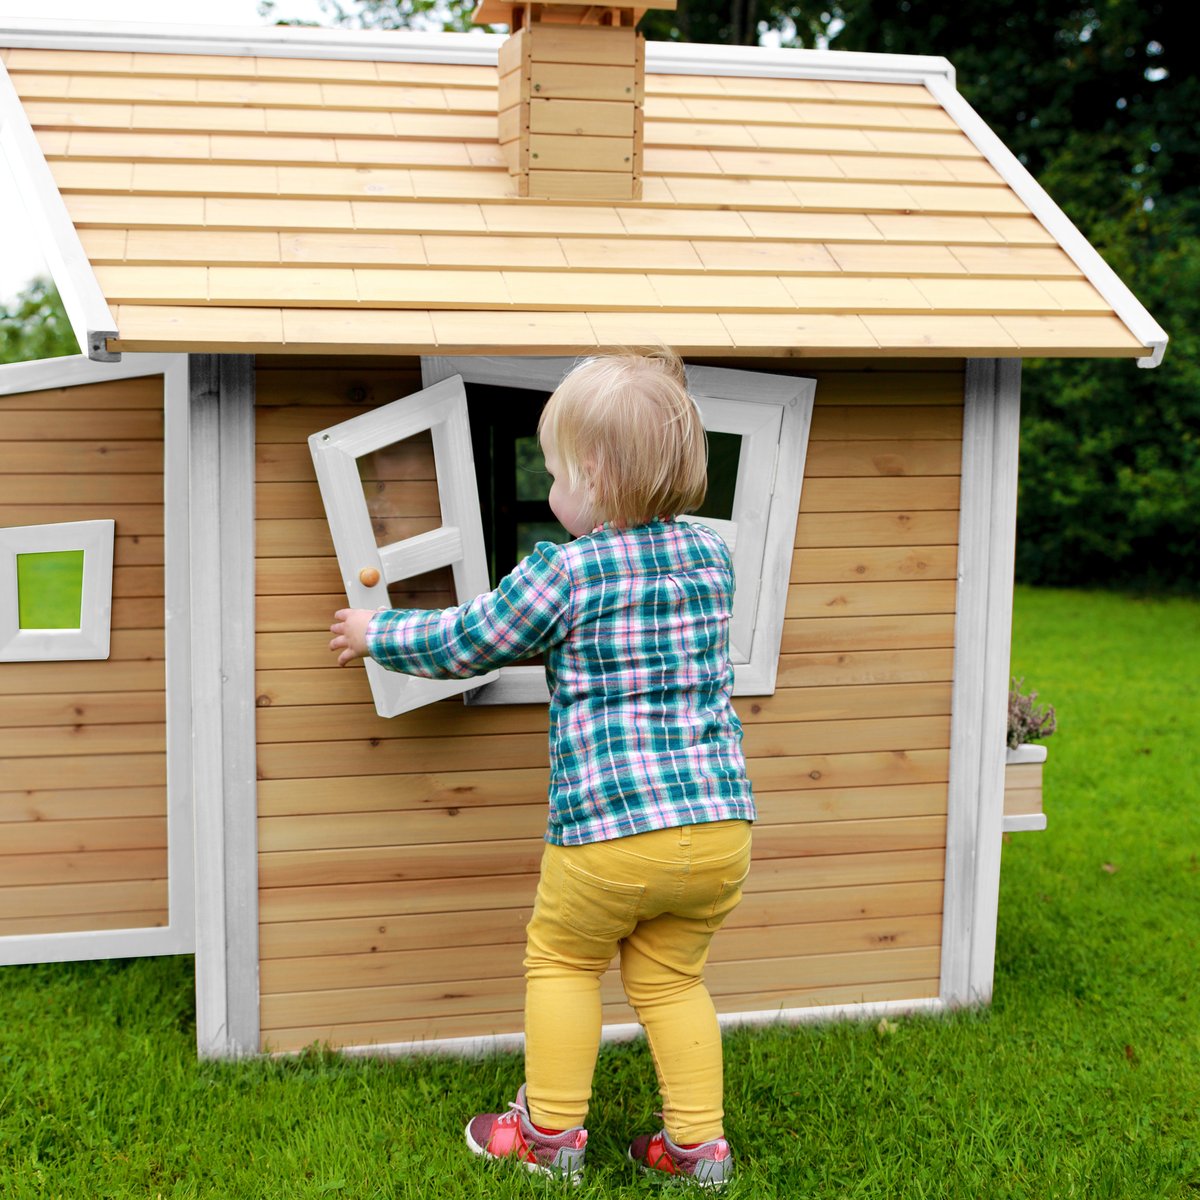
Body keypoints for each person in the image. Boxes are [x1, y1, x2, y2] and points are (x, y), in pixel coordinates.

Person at [329, 350, 754, 1188]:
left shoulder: (563, 570)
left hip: (609, 832)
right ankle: (697, 1149)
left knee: (561, 963)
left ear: (591, 478)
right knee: (672, 982)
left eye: (554, 471)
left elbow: (470, 639)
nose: (551, 487)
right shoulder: (712, 560)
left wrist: (375, 633)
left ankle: (549, 1137)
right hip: (718, 828)